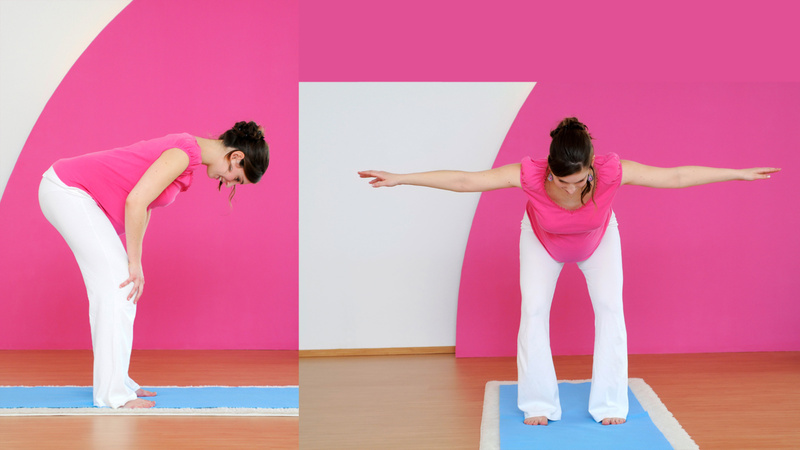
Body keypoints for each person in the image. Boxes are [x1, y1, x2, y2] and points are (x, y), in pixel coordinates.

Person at [358, 117, 778, 426]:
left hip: (598, 239)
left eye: (579, 181)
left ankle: (610, 405)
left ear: (591, 165)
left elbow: (678, 175)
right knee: (535, 311)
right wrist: (400, 179)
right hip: (542, 241)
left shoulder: (613, 171)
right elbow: (467, 181)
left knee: (611, 309)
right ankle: (540, 403)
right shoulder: (529, 174)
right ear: (550, 170)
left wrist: (737, 174)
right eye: (562, 182)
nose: (571, 189)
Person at [38, 121, 269, 408]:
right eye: (237, 178)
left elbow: (146, 207)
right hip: (68, 191)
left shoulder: (188, 163)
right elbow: (135, 202)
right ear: (237, 157)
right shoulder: (183, 153)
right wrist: (132, 262)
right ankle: (113, 395)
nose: (229, 183)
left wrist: (138, 262)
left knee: (125, 288)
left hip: (75, 195)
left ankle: (119, 382)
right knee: (118, 286)